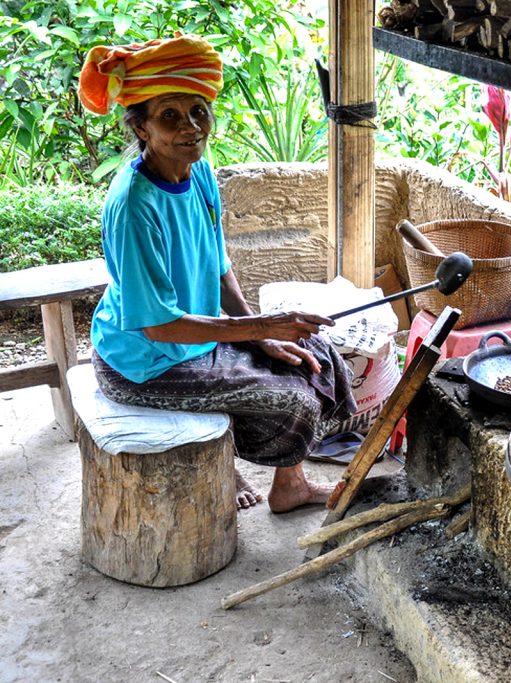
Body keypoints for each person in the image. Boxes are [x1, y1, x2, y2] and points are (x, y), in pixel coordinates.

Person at [78, 34, 356, 513]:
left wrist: (262, 338)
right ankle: (237, 465)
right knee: (294, 400)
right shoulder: (133, 206)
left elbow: (219, 266)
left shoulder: (200, 172)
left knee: (316, 353)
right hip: (146, 362)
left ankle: (288, 485)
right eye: (169, 115)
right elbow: (158, 324)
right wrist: (260, 328)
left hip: (196, 338)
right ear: (141, 128)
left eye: (198, 111)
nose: (191, 127)